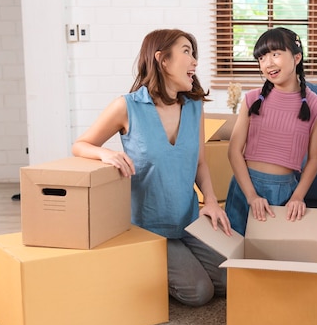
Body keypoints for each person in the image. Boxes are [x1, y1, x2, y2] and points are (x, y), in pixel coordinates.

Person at [72, 29, 231, 307]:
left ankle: (177, 257)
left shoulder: (194, 106)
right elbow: (81, 144)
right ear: (162, 59)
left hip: (188, 221)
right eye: (186, 52)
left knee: (230, 280)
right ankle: (138, 268)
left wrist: (212, 202)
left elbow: (200, 163)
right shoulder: (127, 106)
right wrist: (104, 153)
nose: (194, 61)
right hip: (147, 227)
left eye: (194, 54)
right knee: (198, 292)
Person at [225, 27, 317, 235]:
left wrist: (298, 196)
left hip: (283, 190)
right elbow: (234, 151)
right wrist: (251, 196)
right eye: (262, 58)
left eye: (275, 54)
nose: (268, 63)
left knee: (273, 255)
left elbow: (314, 160)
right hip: (245, 186)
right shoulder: (252, 99)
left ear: (297, 57)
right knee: (234, 250)